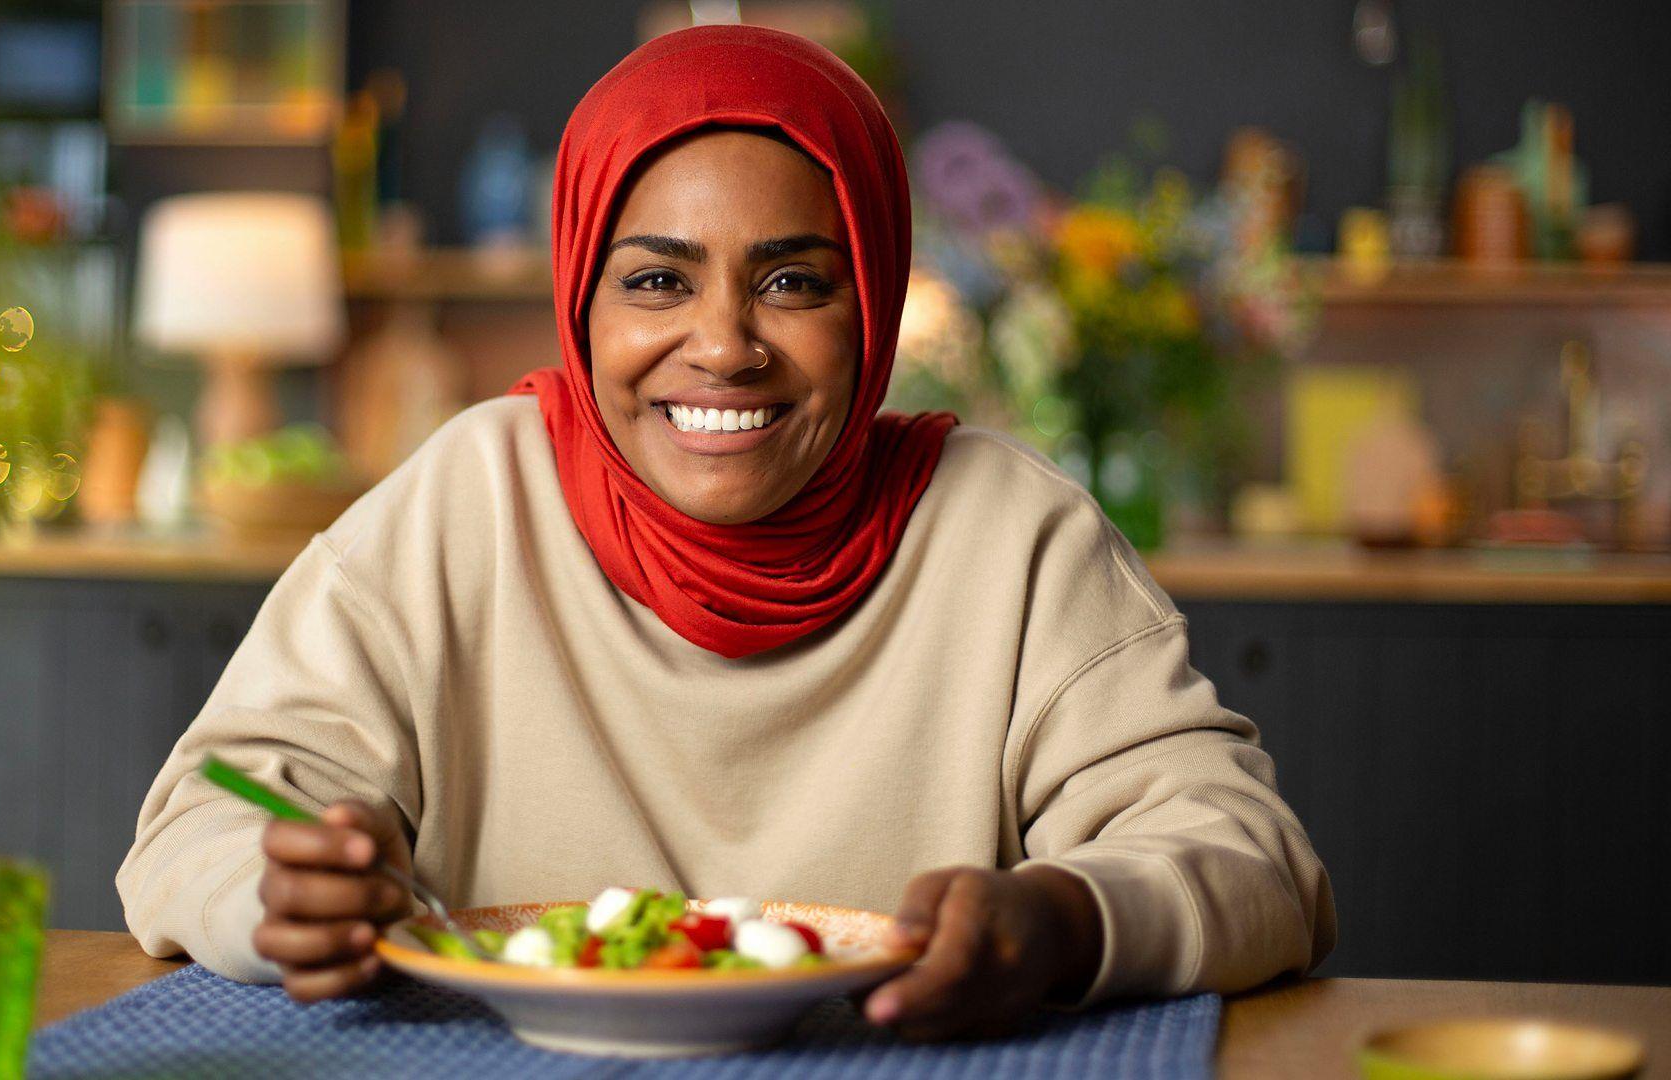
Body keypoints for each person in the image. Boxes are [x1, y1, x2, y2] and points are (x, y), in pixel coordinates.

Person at [118, 25, 1334, 1039]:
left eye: (794, 282)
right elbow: (200, 830)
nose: (724, 345)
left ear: (875, 300)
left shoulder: (1011, 534)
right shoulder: (467, 504)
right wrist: (280, 892)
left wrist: (1069, 922)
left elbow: (1254, 863)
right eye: (656, 280)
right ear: (579, 300)